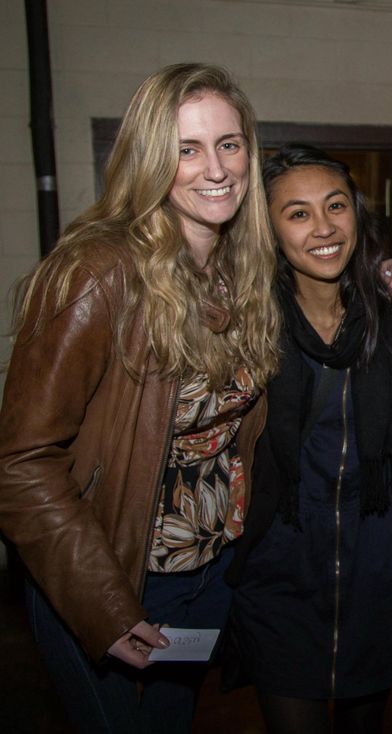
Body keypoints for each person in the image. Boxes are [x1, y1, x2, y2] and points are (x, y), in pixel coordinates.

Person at [0, 63, 281, 732]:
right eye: (186, 148)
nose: (215, 168)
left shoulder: (239, 272)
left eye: (229, 143)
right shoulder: (98, 274)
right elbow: (19, 462)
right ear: (150, 158)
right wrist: (104, 604)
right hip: (111, 576)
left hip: (206, 577)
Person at [223, 144, 392, 734]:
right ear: (268, 232)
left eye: (335, 206)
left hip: (378, 570)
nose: (323, 227)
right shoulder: (244, 330)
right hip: (280, 569)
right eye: (297, 213)